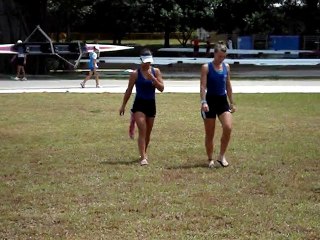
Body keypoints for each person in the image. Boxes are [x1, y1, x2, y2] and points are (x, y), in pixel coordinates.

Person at [119, 48, 164, 166]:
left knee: (148, 132)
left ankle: (144, 152)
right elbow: (129, 90)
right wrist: (123, 105)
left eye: (149, 61)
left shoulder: (156, 71)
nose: (147, 64)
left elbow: (162, 88)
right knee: (142, 130)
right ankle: (143, 157)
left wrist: (153, 79)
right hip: (139, 104)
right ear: (141, 60)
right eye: (145, 61)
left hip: (151, 104)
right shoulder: (135, 74)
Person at [200, 42, 236, 168]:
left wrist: (232, 102)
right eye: (220, 56)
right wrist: (203, 101)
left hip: (222, 101)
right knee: (210, 133)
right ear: (214, 54)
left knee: (228, 127)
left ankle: (221, 156)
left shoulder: (226, 67)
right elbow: (203, 86)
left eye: (224, 56)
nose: (222, 59)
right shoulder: (206, 67)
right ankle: (210, 159)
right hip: (209, 102)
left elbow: (228, 85)